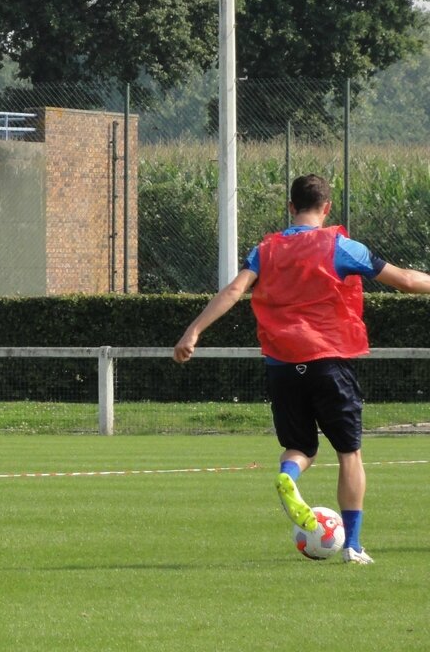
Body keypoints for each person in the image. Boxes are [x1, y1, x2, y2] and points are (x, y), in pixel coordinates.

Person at [173, 173, 430, 564]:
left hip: (282, 366)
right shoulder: (340, 246)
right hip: (329, 361)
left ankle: (289, 477)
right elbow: (408, 282)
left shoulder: (266, 250)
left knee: (300, 446)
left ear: (290, 207)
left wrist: (193, 331)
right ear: (327, 208)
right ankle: (353, 546)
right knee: (350, 454)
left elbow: (233, 291)